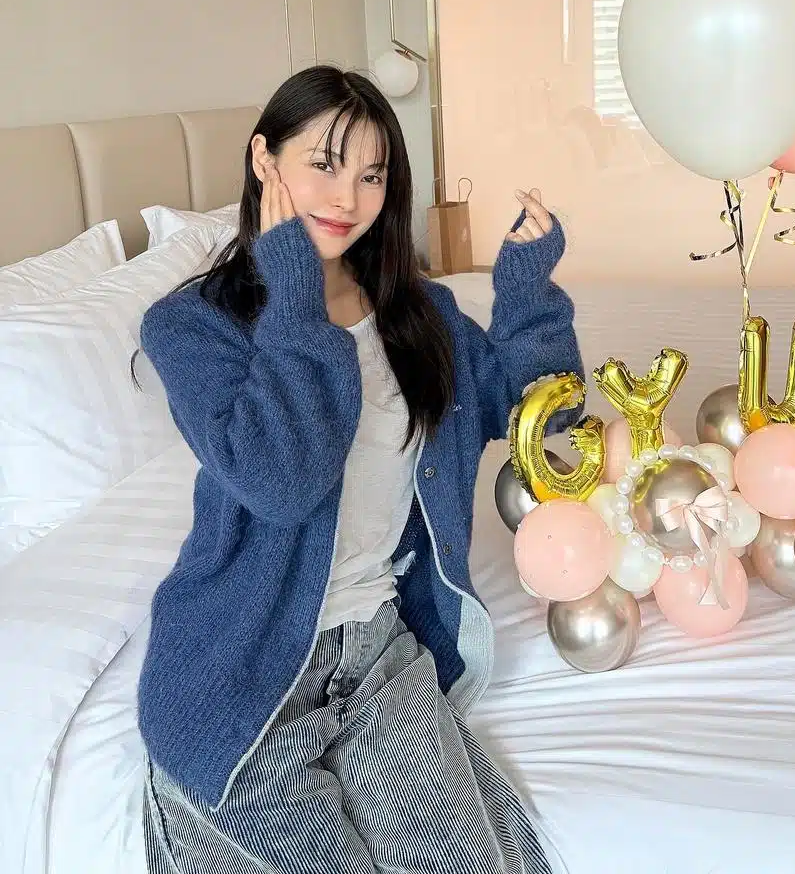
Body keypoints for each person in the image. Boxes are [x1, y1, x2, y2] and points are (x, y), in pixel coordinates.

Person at [137, 65, 581, 874]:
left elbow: (539, 415)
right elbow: (280, 482)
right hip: (243, 662)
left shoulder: (421, 314)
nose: (348, 197)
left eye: (372, 175)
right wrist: (294, 292)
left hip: (380, 651)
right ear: (264, 160)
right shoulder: (190, 327)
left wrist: (526, 291)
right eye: (324, 163)